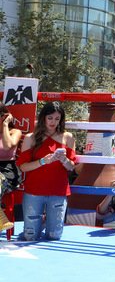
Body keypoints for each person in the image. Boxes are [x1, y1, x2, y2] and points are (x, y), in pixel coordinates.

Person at [16, 102, 77, 241]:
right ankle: (37, 225)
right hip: (34, 191)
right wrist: (42, 161)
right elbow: (23, 167)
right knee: (30, 236)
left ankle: (43, 223)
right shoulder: (30, 138)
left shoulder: (68, 137)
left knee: (54, 235)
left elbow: (72, 167)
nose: (53, 122)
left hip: (58, 190)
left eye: (57, 119)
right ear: (43, 117)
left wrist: (64, 159)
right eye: (50, 118)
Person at [0, 106, 23, 232]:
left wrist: (5, 126)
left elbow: (8, 146)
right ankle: (1, 219)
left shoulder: (15, 132)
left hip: (8, 170)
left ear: (5, 116)